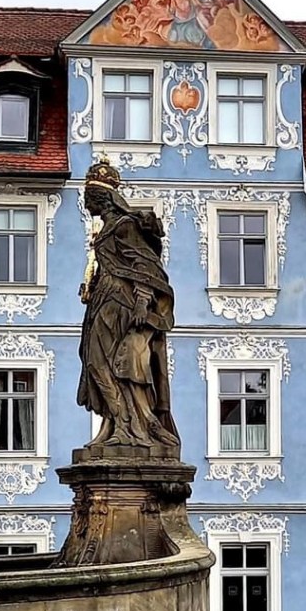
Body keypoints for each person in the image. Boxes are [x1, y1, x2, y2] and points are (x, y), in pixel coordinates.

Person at [77, 158, 180, 450]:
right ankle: (114, 422)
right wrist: (91, 286)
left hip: (120, 302)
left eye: (87, 197)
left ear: (100, 197)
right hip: (103, 300)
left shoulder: (124, 226)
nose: (85, 203)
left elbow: (146, 265)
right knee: (95, 363)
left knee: (112, 363)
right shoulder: (108, 229)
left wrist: (142, 301)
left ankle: (129, 425)